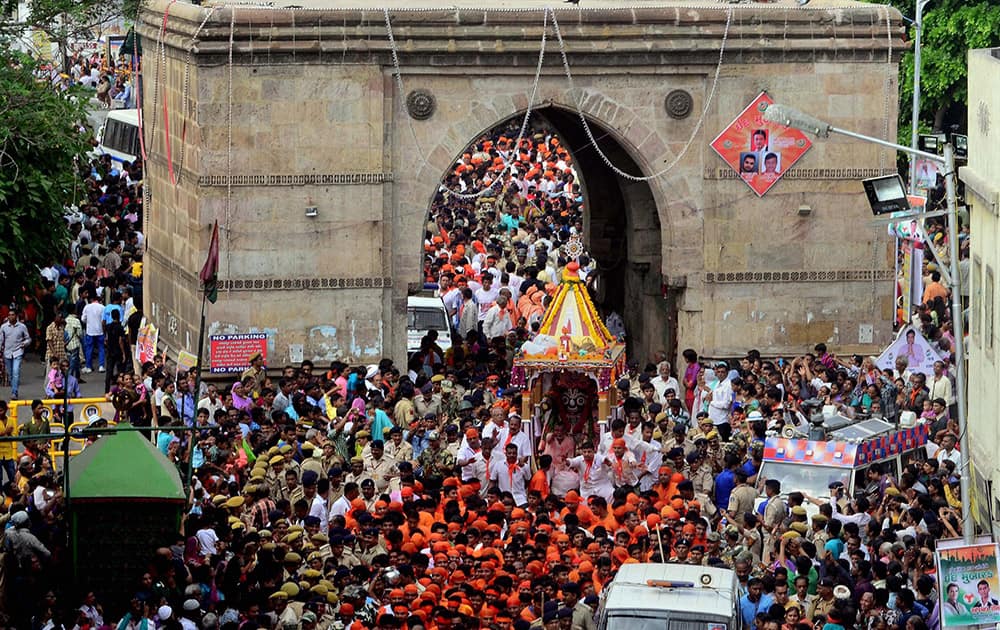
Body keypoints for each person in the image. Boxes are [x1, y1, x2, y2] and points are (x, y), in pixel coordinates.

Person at [0, 311, 31, 399]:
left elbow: (28, 339)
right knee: (10, 374)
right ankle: (13, 387)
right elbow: (1, 340)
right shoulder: (3, 327)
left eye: (13, 315)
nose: (11, 316)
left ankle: (14, 392)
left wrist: (24, 344)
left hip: (18, 352)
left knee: (16, 372)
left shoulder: (22, 327)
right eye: (9, 315)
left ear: (16, 316)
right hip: (7, 353)